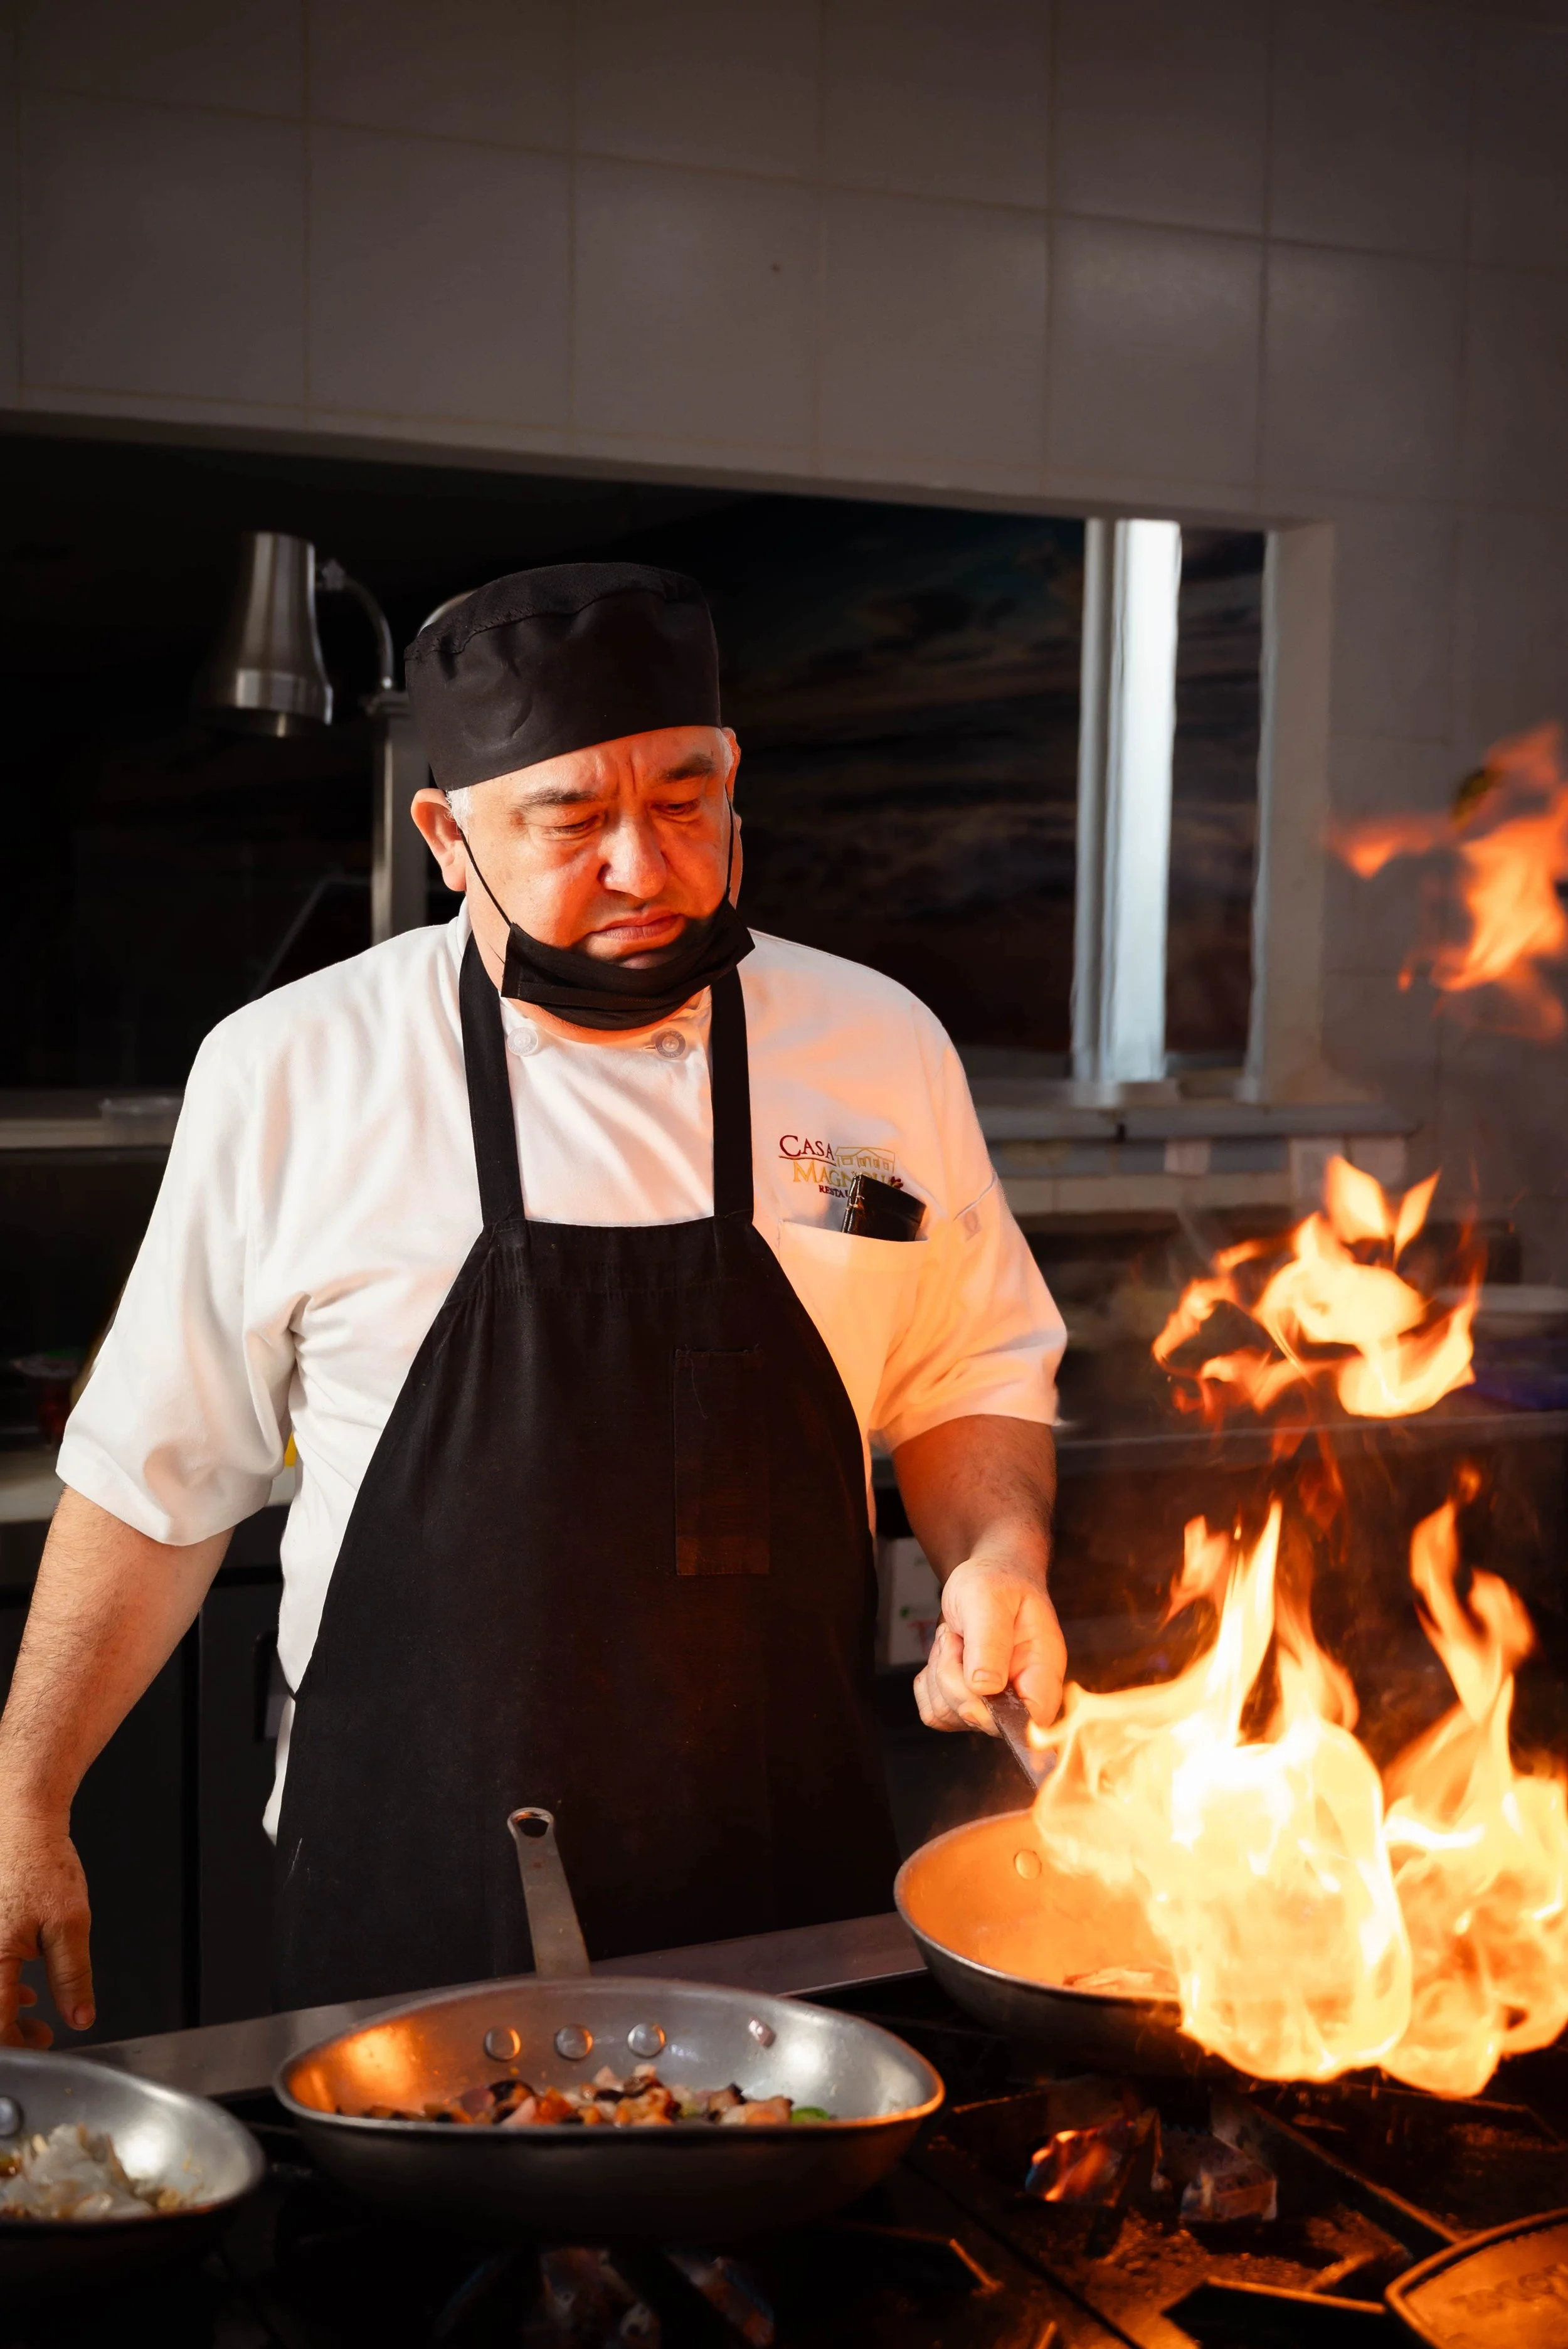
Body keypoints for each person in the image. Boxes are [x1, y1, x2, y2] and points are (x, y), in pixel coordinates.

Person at [0, 561, 1066, 2044]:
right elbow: (155, 1477)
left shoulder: (865, 1067)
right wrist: (22, 1799)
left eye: (685, 800)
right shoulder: (298, 1078)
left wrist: (997, 1553)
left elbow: (957, 1367)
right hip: (415, 1891)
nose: (643, 865)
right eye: (570, 820)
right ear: (448, 835)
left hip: (788, 1889)